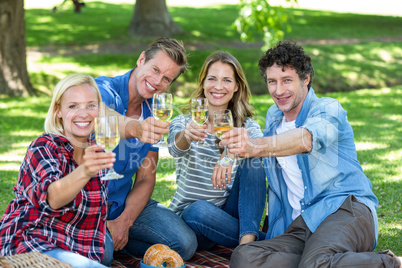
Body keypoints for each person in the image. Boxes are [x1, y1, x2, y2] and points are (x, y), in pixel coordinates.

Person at [222, 41, 402, 268]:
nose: (278, 91)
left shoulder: (329, 109)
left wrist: (255, 146)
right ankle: (326, 262)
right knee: (244, 257)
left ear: (305, 79)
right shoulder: (273, 117)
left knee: (314, 264)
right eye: (272, 82)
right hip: (302, 224)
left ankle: (391, 262)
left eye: (287, 80)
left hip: (345, 210)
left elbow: (305, 139)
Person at [94, 37, 197, 261]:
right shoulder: (104, 89)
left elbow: (145, 178)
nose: (157, 81)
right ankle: (107, 240)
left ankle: (119, 235)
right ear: (141, 59)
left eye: (166, 78)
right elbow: (99, 114)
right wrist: (136, 128)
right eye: (155, 69)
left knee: (184, 244)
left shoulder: (154, 113)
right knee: (101, 254)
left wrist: (125, 220)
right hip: (85, 205)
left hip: (121, 204)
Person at [0, 74, 114, 268]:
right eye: (73, 106)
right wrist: (85, 170)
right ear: (58, 111)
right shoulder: (43, 147)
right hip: (34, 242)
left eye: (91, 105)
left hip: (79, 247)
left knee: (105, 256)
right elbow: (52, 198)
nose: (84, 113)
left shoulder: (98, 150)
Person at [167, 51, 267, 250]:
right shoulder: (185, 122)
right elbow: (174, 149)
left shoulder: (248, 127)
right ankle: (270, 242)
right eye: (212, 79)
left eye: (227, 80)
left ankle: (246, 247)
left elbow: (258, 147)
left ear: (236, 86)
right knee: (198, 210)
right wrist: (187, 135)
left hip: (230, 216)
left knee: (253, 162)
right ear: (203, 83)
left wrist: (228, 155)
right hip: (194, 222)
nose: (218, 86)